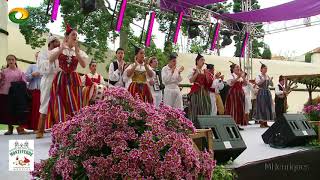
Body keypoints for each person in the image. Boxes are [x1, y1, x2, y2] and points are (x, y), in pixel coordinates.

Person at [47, 24, 88, 125]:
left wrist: (77, 53)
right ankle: (61, 124)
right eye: (73, 35)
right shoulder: (61, 49)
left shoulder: (79, 51)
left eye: (76, 36)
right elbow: (51, 59)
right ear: (67, 37)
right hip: (61, 78)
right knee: (60, 100)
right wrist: (61, 49)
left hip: (74, 78)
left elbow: (83, 65)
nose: (75, 37)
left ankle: (74, 125)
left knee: (74, 101)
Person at [36, 34, 60, 138]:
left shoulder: (59, 53)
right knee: (45, 103)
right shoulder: (43, 53)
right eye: (56, 42)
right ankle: (40, 130)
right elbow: (41, 67)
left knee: (57, 104)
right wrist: (51, 60)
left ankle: (56, 129)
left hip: (58, 80)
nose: (58, 44)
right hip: (47, 80)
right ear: (51, 42)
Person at [0, 55, 28, 135]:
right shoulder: (3, 71)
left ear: (15, 61)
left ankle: (20, 128)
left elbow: (24, 82)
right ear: (7, 61)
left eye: (12, 59)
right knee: (8, 111)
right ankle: (10, 129)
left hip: (17, 94)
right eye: (9, 60)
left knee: (18, 111)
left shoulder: (20, 71)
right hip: (5, 93)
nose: (11, 61)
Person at [187, 53, 212, 128]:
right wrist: (197, 73)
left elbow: (208, 83)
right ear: (197, 61)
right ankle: (195, 126)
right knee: (195, 108)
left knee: (206, 107)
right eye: (201, 60)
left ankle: (205, 126)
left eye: (204, 60)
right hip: (196, 92)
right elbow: (191, 81)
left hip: (204, 92)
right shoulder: (193, 70)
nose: (203, 61)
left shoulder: (205, 71)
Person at [225, 63, 247, 130]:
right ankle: (231, 124)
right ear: (233, 69)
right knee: (233, 109)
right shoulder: (231, 75)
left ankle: (237, 124)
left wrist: (243, 77)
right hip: (233, 94)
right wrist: (238, 76)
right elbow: (231, 83)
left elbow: (245, 84)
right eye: (237, 67)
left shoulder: (239, 76)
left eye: (239, 67)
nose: (238, 68)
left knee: (239, 109)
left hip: (240, 94)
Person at [25, 52, 41, 131]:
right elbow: (25, 78)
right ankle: (34, 127)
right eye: (37, 56)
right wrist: (32, 75)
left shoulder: (47, 67)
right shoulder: (32, 66)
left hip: (43, 90)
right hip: (33, 90)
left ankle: (41, 127)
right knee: (34, 109)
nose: (39, 58)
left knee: (41, 110)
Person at [255, 62, 273, 128]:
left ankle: (265, 122)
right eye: (264, 68)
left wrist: (270, 81)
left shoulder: (267, 76)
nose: (266, 70)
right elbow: (257, 83)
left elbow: (271, 85)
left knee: (267, 107)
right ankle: (261, 123)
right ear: (261, 69)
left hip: (267, 92)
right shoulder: (258, 76)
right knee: (262, 107)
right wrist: (263, 80)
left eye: (266, 69)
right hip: (261, 92)